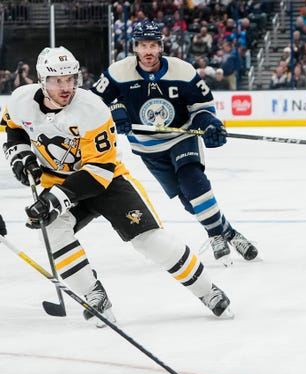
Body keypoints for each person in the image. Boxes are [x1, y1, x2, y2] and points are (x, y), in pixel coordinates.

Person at [1, 46, 234, 327]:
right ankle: (93, 294)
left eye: (70, 79)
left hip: (106, 181)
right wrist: (21, 156)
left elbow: (98, 171)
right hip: (57, 179)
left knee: (150, 240)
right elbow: (13, 128)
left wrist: (54, 200)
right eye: (57, 80)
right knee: (51, 231)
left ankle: (207, 290)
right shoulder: (20, 100)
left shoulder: (91, 109)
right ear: (41, 80)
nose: (65, 87)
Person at [90, 20, 257, 265]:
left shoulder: (182, 71)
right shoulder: (118, 72)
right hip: (148, 148)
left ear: (161, 46)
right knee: (190, 201)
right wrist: (115, 108)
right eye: (143, 45)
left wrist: (209, 124)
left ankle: (214, 235)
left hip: (181, 136)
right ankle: (229, 232)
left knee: (193, 182)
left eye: (153, 45)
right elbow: (91, 103)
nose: (148, 51)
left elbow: (202, 108)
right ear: (135, 47)